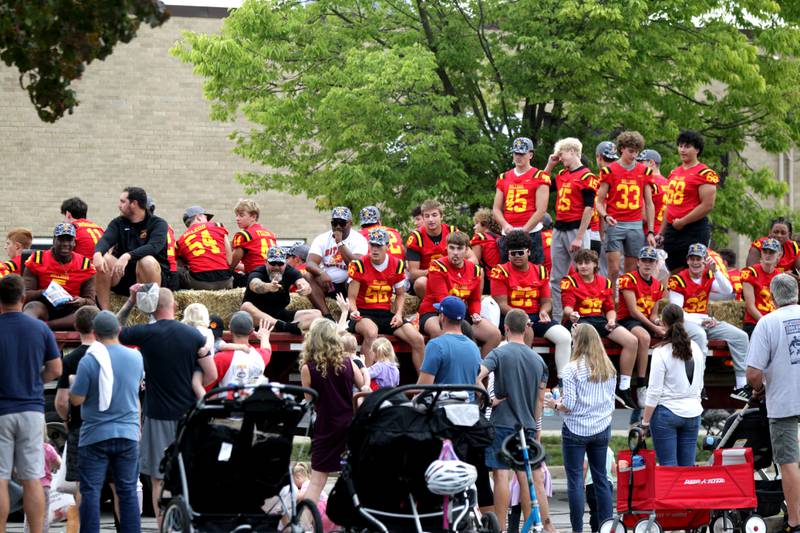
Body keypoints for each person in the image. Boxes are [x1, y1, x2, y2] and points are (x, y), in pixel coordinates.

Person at [116, 287, 215, 527]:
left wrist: (130, 301)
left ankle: (163, 525)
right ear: (175, 306)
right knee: (187, 472)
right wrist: (195, 376)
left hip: (157, 415)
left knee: (158, 478)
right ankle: (187, 521)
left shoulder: (145, 333)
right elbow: (212, 374)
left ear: (150, 307)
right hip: (188, 416)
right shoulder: (194, 336)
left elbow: (114, 328)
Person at [477, 309, 553, 533]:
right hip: (527, 424)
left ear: (506, 329)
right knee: (525, 477)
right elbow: (540, 400)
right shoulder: (539, 361)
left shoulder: (499, 354)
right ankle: (529, 527)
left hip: (502, 423)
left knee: (501, 475)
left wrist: (488, 400)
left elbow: (476, 374)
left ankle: (499, 527)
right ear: (527, 328)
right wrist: (536, 427)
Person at [69, 311, 143, 533]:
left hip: (94, 435)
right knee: (127, 491)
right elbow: (135, 390)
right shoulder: (136, 358)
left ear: (94, 333)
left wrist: (75, 385)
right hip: (128, 433)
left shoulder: (89, 361)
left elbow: (77, 399)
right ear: (118, 331)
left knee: (90, 491)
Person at [0, 274, 62, 533]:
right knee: (33, 477)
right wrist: (34, 380)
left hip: (1, 411)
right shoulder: (40, 329)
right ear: (23, 298)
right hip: (32, 410)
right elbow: (56, 369)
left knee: (1, 478)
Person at [547, 324, 616, 533]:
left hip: (576, 428)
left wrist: (555, 405)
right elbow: (611, 401)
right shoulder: (608, 367)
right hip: (601, 427)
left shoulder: (571, 368)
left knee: (575, 481)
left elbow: (570, 404)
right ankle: (606, 527)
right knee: (601, 478)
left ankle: (577, 529)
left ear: (578, 342)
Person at [745, 274, 800, 533]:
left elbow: (754, 373)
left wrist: (759, 390)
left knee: (788, 462)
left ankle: (795, 522)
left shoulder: (767, 323)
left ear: (773, 296)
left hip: (783, 401)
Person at [667, 243, 750, 400]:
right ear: (687, 260)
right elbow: (676, 313)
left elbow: (728, 291)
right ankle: (699, 384)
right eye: (692, 258)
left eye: (699, 259)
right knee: (700, 336)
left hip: (704, 320)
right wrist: (701, 322)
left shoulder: (708, 275)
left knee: (741, 337)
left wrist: (717, 271)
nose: (696, 262)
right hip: (686, 322)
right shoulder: (678, 280)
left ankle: (741, 386)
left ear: (705, 260)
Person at [561, 249, 639, 408]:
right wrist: (572, 314)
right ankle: (583, 384)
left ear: (595, 264)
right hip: (579, 319)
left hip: (599, 319)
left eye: (587, 262)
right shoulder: (570, 281)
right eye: (580, 263)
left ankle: (624, 386)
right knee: (588, 339)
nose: (583, 266)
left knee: (631, 340)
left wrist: (611, 320)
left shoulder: (605, 282)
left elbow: (609, 308)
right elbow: (567, 308)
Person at [488, 230, 571, 379]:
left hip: (535, 315)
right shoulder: (500, 271)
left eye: (521, 252)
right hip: (511, 316)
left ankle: (563, 381)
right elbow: (501, 304)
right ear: (508, 254)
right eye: (513, 253)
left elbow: (546, 301)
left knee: (564, 336)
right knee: (527, 331)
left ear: (528, 252)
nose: (517, 256)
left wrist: (544, 311)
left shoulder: (540, 270)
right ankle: (523, 375)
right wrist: (521, 316)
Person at [300, 318, 365, 503]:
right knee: (356, 477)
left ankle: (305, 526)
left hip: (325, 426)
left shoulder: (307, 368)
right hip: (349, 424)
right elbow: (363, 388)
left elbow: (310, 401)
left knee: (317, 481)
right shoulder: (348, 363)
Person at [346, 228, 425, 368]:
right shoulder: (359, 265)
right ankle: (365, 383)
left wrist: (399, 314)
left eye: (379, 246)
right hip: (363, 313)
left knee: (417, 339)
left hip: (385, 313)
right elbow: (351, 297)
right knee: (371, 333)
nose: (375, 250)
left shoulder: (397, 265)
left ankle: (424, 386)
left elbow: (400, 294)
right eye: (372, 245)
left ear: (387, 247)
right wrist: (353, 310)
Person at [417, 231, 501, 356]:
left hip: (461, 311)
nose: (455, 252)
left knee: (494, 334)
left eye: (460, 248)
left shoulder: (475, 270)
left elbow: (475, 299)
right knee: (440, 332)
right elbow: (443, 300)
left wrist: (475, 314)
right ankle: (437, 371)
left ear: (467, 250)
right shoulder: (437, 266)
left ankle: (480, 371)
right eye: (452, 248)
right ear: (447, 248)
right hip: (435, 310)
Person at [640, 304, 704, 466]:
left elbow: (654, 391)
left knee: (668, 468)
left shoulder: (660, 352)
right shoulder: (696, 347)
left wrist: (645, 423)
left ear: (663, 323)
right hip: (693, 411)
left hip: (666, 412)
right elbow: (700, 384)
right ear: (683, 321)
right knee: (687, 469)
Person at [544, 138, 599, 322]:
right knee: (556, 277)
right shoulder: (561, 174)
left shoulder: (587, 176)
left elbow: (589, 208)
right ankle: (558, 318)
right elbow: (541, 185)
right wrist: (549, 166)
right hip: (559, 228)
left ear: (574, 151)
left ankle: (582, 316)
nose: (560, 158)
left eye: (562, 153)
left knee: (583, 273)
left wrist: (580, 236)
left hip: (576, 228)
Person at [595, 131, 656, 292]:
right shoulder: (610, 171)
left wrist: (650, 231)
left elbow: (649, 204)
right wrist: (605, 215)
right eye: (630, 150)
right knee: (614, 269)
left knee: (631, 272)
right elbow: (599, 201)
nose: (634, 154)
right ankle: (610, 303)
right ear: (621, 149)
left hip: (635, 225)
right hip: (615, 223)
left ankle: (625, 306)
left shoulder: (644, 172)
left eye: (636, 151)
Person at [93, 186, 170, 310]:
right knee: (105, 258)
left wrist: (127, 255)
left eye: (123, 201)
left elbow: (154, 247)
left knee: (147, 261)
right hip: (125, 275)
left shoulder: (158, 223)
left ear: (134, 204)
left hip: (151, 276)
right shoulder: (118, 223)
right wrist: (97, 254)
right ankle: (106, 313)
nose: (119, 205)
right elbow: (105, 240)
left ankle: (151, 313)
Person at [54, 305, 100, 509]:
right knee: (118, 485)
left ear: (75, 327)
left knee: (84, 484)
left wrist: (66, 421)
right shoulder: (110, 355)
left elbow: (61, 401)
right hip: (109, 426)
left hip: (81, 427)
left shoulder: (71, 359)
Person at [656, 130, 719, 273]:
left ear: (697, 149)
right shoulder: (674, 172)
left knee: (694, 269)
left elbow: (708, 205)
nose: (682, 150)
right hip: (673, 228)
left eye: (687, 146)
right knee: (675, 271)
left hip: (693, 228)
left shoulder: (704, 173)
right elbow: (670, 205)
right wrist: (661, 232)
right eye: (680, 146)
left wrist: (683, 221)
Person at [616, 246, 667, 408]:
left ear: (656, 264)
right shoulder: (628, 279)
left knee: (672, 334)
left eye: (651, 261)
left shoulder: (658, 285)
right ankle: (641, 385)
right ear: (638, 262)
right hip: (628, 320)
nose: (647, 264)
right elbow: (633, 311)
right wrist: (654, 327)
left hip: (644, 321)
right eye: (644, 260)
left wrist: (659, 323)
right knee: (644, 338)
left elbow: (653, 314)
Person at [22, 223, 97, 330]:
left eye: (69, 240)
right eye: (61, 239)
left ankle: (47, 326)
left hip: (70, 311)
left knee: (93, 312)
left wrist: (82, 301)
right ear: (54, 241)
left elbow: (91, 301)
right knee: (31, 307)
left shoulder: (85, 265)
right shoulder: (37, 259)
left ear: (74, 242)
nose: (65, 243)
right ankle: (31, 329)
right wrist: (44, 292)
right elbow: (25, 295)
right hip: (44, 307)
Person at [492, 136, 551, 264]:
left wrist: (525, 229)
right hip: (508, 232)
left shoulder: (539, 176)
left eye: (522, 153)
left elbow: (541, 210)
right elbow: (496, 208)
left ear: (530, 154)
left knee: (534, 272)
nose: (518, 157)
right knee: (507, 273)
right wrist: (505, 225)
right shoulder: (504, 177)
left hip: (531, 232)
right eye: (516, 153)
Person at [240, 246, 321, 333]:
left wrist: (305, 288)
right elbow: (254, 284)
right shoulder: (258, 272)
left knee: (317, 314)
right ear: (266, 262)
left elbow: (302, 282)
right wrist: (268, 287)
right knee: (246, 307)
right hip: (258, 317)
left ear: (285, 263)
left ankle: (282, 327)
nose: (276, 267)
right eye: (273, 263)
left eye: (280, 264)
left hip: (280, 315)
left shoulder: (290, 271)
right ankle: (284, 327)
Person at [306, 207, 368, 314]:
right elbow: (310, 263)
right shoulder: (322, 238)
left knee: (354, 278)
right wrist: (321, 272)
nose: (338, 227)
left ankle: (351, 315)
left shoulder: (359, 239)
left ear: (350, 223)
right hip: (328, 284)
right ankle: (326, 315)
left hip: (348, 284)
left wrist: (339, 243)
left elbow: (356, 264)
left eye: (342, 223)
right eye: (334, 223)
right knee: (307, 276)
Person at [418, 296, 481, 386]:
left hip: (442, 399)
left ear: (443, 316)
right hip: (468, 400)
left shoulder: (435, 345)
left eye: (438, 313)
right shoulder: (474, 347)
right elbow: (476, 381)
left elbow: (423, 388)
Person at [406, 199, 460, 297]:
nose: (431, 219)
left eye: (434, 215)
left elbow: (472, 258)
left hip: (452, 275)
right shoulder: (416, 237)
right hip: (429, 278)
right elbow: (413, 273)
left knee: (478, 271)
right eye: (427, 216)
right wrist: (437, 271)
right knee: (420, 283)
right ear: (423, 218)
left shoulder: (451, 231)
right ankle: (438, 307)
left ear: (441, 216)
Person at [207, 312, 272, 389]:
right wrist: (264, 337)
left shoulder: (220, 358)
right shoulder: (260, 356)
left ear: (230, 329)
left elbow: (205, 388)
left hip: (229, 400)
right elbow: (267, 349)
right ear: (251, 331)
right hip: (254, 400)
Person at [176, 205, 233, 290]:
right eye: (206, 218)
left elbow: (180, 264)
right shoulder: (217, 225)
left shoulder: (180, 240)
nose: (208, 221)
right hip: (225, 281)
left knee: (176, 270)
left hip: (199, 283)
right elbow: (229, 260)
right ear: (199, 217)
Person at [230, 199, 278, 288]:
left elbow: (231, 265)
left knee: (222, 275)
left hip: (255, 278)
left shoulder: (243, 235)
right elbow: (258, 262)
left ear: (253, 217)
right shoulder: (271, 234)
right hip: (273, 278)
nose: (237, 218)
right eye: (236, 215)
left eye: (241, 215)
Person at [741, 238, 781, 337]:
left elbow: (781, 305)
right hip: (755, 322)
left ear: (778, 256)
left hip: (775, 322)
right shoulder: (751, 272)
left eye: (771, 252)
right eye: (765, 252)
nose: (767, 255)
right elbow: (750, 306)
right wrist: (766, 322)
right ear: (761, 254)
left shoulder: (780, 276)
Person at [23, 426, 59, 533]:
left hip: (30, 486)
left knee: (29, 515)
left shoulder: (26, 449)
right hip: (45, 488)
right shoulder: (47, 448)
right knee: (44, 515)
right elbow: (59, 463)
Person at [637, 149, 669, 235]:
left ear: (651, 163)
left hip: (648, 232)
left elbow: (643, 217)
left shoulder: (647, 182)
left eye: (640, 162)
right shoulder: (669, 182)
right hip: (664, 232)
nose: (637, 165)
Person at [471, 208, 502, 294]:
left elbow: (474, 263)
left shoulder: (480, 237)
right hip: (501, 277)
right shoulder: (499, 237)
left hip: (487, 280)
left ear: (484, 224)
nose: (474, 227)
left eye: (477, 223)